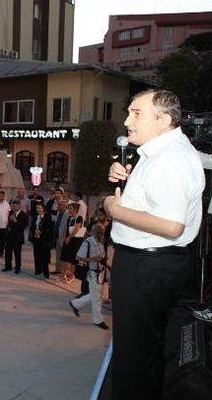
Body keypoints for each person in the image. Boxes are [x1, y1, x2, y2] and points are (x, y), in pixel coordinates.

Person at [105, 89, 204, 399]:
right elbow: (157, 204)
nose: (126, 120)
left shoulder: (169, 161)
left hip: (147, 269)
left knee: (133, 359)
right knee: (148, 352)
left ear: (163, 120)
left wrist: (114, 209)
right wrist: (129, 182)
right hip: (154, 266)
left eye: (136, 113)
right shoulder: (159, 153)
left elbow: (171, 226)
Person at [68, 223, 108, 330]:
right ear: (93, 231)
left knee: (96, 296)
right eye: (98, 232)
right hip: (91, 273)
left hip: (100, 272)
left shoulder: (101, 242)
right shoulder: (87, 242)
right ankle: (98, 320)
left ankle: (75, 303)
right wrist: (93, 259)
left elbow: (102, 257)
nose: (100, 234)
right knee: (97, 299)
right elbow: (78, 257)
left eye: (102, 232)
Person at [59, 202, 85, 283]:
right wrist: (65, 238)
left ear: (76, 209)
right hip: (68, 239)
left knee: (73, 259)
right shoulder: (69, 218)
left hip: (76, 240)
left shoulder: (79, 218)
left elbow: (76, 229)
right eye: (69, 208)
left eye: (70, 208)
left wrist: (69, 238)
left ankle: (71, 276)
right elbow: (67, 229)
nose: (69, 210)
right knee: (64, 257)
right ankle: (63, 275)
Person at [2, 200, 28, 274]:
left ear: (19, 206)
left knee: (17, 253)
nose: (13, 208)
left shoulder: (24, 215)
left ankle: (17, 267)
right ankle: (8, 266)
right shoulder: (10, 213)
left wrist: (15, 221)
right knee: (8, 252)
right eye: (12, 206)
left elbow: (23, 227)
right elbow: (8, 224)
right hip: (9, 236)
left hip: (17, 237)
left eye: (15, 206)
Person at [30, 203, 54, 278]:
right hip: (36, 239)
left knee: (44, 256)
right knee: (36, 255)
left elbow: (50, 228)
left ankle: (45, 273)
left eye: (40, 208)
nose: (38, 209)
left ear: (43, 209)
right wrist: (34, 230)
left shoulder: (47, 216)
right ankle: (38, 270)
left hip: (44, 239)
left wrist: (41, 231)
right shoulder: (35, 216)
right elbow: (31, 227)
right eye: (37, 208)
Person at [52, 200, 69, 275]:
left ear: (65, 207)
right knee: (58, 254)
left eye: (61, 205)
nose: (59, 206)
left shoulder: (68, 214)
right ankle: (58, 269)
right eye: (59, 205)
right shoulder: (58, 212)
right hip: (57, 235)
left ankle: (65, 271)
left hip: (64, 236)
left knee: (65, 255)